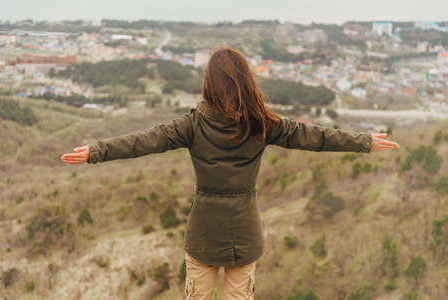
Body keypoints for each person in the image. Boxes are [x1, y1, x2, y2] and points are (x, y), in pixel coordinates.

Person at [61, 47, 400, 300]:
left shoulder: (191, 124)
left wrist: (96, 151)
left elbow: (143, 141)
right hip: (246, 230)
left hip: (203, 230)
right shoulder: (263, 124)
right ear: (245, 81)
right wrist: (363, 142)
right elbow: (316, 137)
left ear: (209, 83)